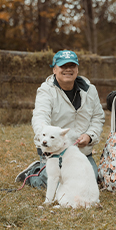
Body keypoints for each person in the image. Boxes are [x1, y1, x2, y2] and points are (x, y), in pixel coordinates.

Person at [15, 50, 105, 188]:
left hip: (81, 152)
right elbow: (40, 118)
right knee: (57, 183)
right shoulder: (46, 90)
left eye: (72, 65)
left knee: (89, 181)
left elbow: (98, 117)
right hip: (54, 152)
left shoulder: (90, 90)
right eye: (63, 66)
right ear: (55, 69)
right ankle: (33, 173)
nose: (68, 69)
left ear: (77, 69)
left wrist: (89, 136)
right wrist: (48, 141)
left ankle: (44, 170)